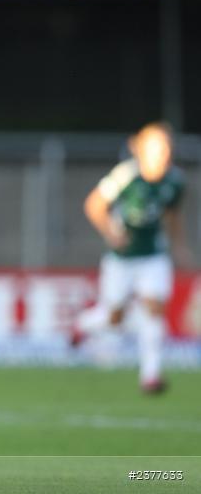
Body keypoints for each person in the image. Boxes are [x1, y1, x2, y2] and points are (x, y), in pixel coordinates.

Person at [73, 122, 191, 394]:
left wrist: (179, 246)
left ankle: (150, 375)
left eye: (165, 149)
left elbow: (172, 216)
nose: (161, 155)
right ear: (139, 149)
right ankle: (83, 325)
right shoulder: (126, 176)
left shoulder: (174, 181)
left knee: (154, 307)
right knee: (115, 317)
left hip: (153, 256)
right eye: (155, 148)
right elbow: (94, 205)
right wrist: (111, 233)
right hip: (121, 258)